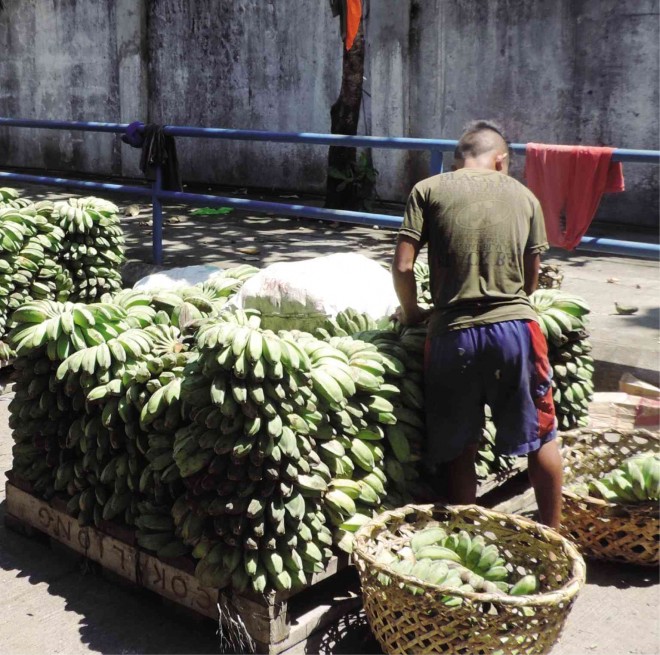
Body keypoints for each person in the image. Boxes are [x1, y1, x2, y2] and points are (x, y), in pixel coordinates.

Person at [392, 120, 562, 528]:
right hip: (516, 331)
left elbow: (402, 265)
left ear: (459, 159)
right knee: (541, 436)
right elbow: (531, 276)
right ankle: (556, 539)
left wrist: (413, 314)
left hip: (452, 335)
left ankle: (466, 533)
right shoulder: (524, 196)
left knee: (460, 447)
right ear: (501, 160)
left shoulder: (428, 189)